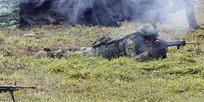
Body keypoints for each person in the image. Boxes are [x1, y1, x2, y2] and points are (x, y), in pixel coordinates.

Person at [34, 24, 169, 61]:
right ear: (144, 37)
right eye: (151, 39)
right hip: (99, 54)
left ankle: (53, 51)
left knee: (77, 49)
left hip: (99, 50)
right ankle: (46, 55)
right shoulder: (131, 42)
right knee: (70, 54)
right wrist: (149, 54)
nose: (152, 41)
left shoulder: (141, 40)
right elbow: (132, 60)